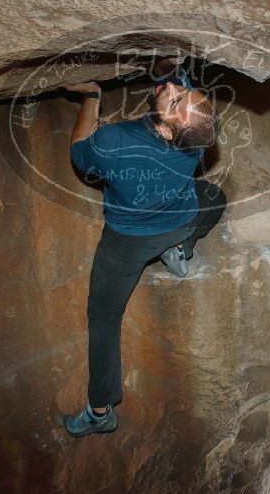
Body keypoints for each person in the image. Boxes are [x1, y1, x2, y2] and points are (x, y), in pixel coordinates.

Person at [61, 61, 227, 437]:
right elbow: (181, 96)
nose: (172, 90)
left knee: (103, 319)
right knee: (214, 197)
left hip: (129, 241)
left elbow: (77, 151)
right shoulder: (197, 141)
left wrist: (91, 98)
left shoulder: (113, 143)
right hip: (180, 219)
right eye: (182, 94)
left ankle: (100, 411)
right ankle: (181, 250)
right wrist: (178, 76)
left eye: (177, 99)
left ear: (169, 132)